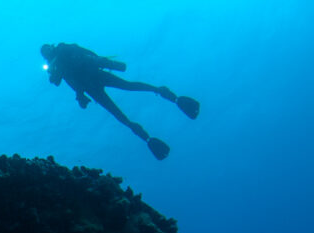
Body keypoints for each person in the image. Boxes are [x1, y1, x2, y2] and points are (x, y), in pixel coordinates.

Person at [40, 43, 199, 160]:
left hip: (93, 82)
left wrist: (79, 93)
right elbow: (67, 82)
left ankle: (166, 100)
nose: (48, 53)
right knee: (123, 100)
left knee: (122, 103)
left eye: (47, 51)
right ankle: (150, 130)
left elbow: (70, 77)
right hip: (93, 82)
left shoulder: (62, 51)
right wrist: (79, 94)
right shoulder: (58, 63)